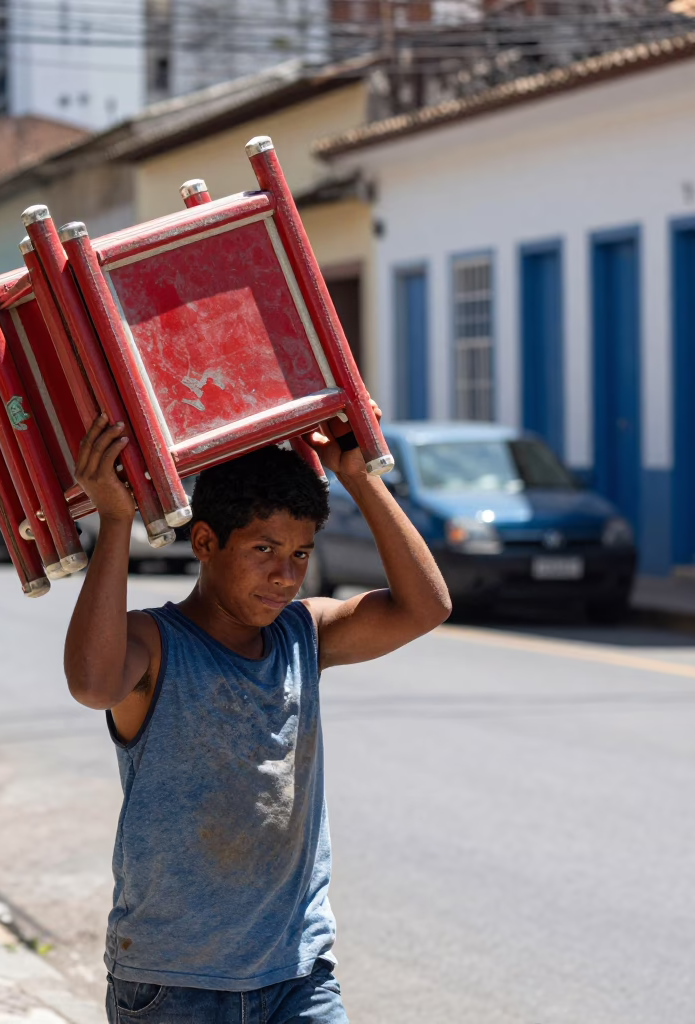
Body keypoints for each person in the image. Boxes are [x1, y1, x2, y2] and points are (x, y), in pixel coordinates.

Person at [64, 407, 452, 1024]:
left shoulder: (305, 634)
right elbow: (91, 683)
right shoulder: (154, 645)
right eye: (264, 549)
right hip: (175, 982)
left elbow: (425, 607)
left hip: (298, 971)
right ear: (205, 543)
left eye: (300, 554)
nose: (285, 575)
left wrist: (359, 476)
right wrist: (115, 519)